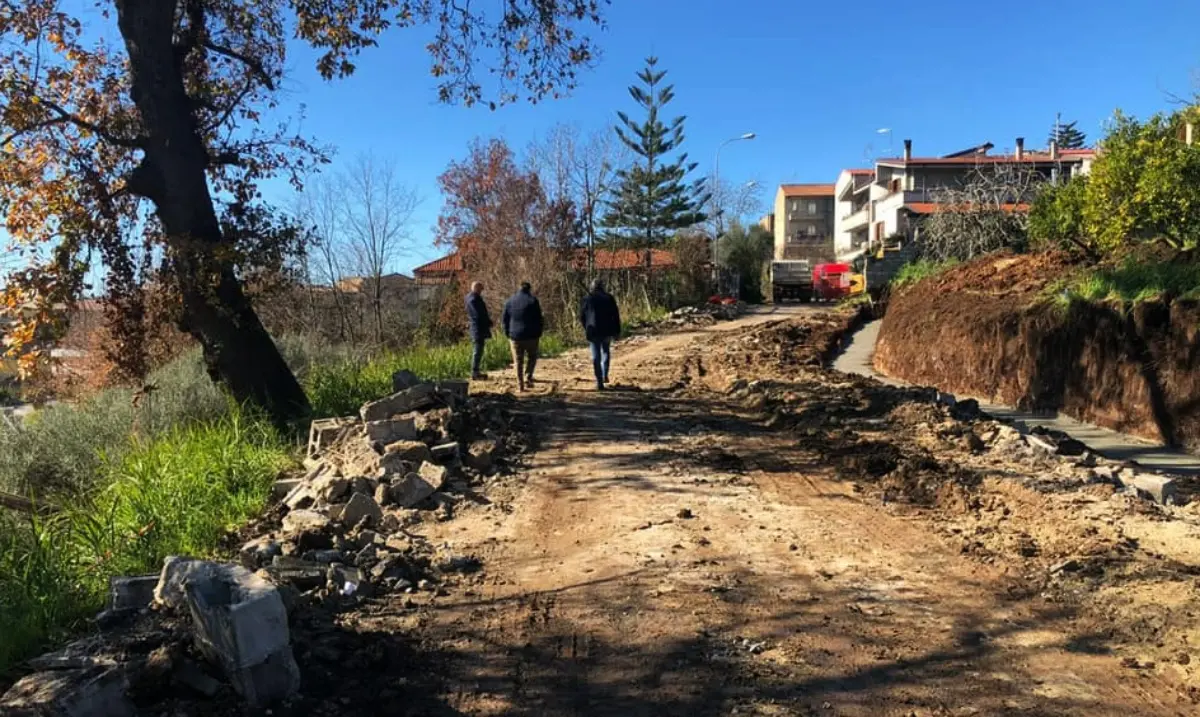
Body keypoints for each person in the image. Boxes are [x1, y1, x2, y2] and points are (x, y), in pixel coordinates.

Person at [501, 281, 544, 392]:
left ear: (519, 288)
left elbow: (505, 319)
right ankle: (528, 376)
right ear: (529, 289)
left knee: (518, 361)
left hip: (515, 336)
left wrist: (507, 332)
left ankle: (520, 385)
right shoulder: (533, 301)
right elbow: (539, 319)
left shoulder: (510, 301)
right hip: (531, 336)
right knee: (532, 357)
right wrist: (539, 332)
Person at [579, 278, 621, 390]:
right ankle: (604, 374)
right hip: (607, 330)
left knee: (596, 356)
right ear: (602, 287)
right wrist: (617, 331)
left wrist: (586, 327)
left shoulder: (587, 298)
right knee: (606, 351)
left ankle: (599, 381)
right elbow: (615, 316)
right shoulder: (609, 298)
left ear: (592, 286)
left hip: (593, 331)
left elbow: (582, 316)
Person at [465, 281, 491, 380]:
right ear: (476, 288)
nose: (481, 291)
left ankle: (476, 371)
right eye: (480, 289)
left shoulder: (470, 298)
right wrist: (487, 322)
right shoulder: (473, 299)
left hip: (476, 327)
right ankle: (475, 372)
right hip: (478, 328)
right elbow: (478, 314)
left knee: (478, 349)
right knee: (477, 350)